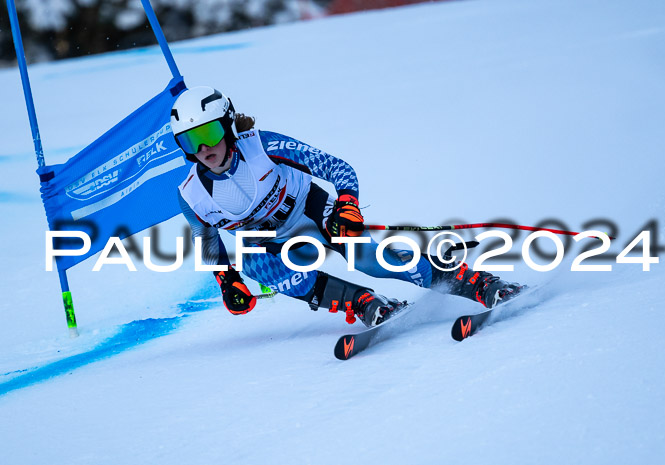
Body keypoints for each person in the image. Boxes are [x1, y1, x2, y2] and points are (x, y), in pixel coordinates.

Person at [171, 86, 523, 327]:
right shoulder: (191, 194)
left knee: (369, 259)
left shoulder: (261, 145)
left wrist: (347, 205)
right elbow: (208, 242)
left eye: (209, 134)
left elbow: (337, 168)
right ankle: (364, 303)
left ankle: (477, 282)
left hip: (311, 211)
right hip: (274, 243)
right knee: (252, 261)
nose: (203, 148)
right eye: (191, 140)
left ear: (228, 126)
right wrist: (227, 280)